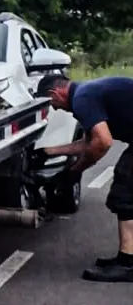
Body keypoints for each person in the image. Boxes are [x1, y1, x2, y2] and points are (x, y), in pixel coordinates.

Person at [37, 73, 133, 282]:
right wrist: (49, 152)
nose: (55, 109)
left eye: (52, 103)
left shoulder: (83, 98)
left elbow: (102, 143)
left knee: (125, 195)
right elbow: (87, 142)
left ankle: (127, 264)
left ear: (55, 93)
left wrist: (74, 172)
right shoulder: (86, 92)